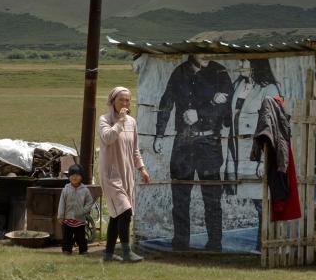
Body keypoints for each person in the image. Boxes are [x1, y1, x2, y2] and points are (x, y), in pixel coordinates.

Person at [154, 55, 233, 251]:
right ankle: (181, 243)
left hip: (209, 143)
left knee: (212, 198)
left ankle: (214, 243)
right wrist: (159, 134)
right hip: (183, 143)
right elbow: (166, 102)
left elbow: (227, 105)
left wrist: (202, 113)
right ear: (192, 53)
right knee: (180, 196)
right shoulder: (179, 73)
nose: (207, 56)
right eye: (201, 52)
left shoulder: (219, 72)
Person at [228, 59, 282, 248]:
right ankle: (261, 243)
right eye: (240, 61)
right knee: (254, 200)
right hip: (237, 151)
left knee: (261, 201)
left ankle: (264, 244)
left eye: (245, 62)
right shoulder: (238, 86)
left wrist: (263, 159)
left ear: (256, 66)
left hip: (256, 152)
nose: (241, 65)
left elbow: (272, 126)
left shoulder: (270, 90)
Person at [98, 86, 150, 262]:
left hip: (127, 173)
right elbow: (108, 138)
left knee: (117, 214)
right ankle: (127, 252)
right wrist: (119, 121)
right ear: (113, 101)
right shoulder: (104, 120)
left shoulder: (132, 122)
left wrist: (141, 168)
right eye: (122, 100)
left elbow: (135, 149)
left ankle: (108, 254)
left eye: (128, 100)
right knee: (125, 211)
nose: (125, 103)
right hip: (111, 174)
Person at [57, 164, 94, 255]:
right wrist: (60, 216)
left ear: (81, 177)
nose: (74, 177)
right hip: (67, 219)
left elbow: (89, 202)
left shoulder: (85, 190)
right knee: (67, 237)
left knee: (81, 237)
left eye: (77, 175)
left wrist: (83, 211)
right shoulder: (65, 190)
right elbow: (62, 203)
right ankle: (66, 250)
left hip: (80, 219)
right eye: (72, 175)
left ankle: (83, 250)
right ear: (69, 177)